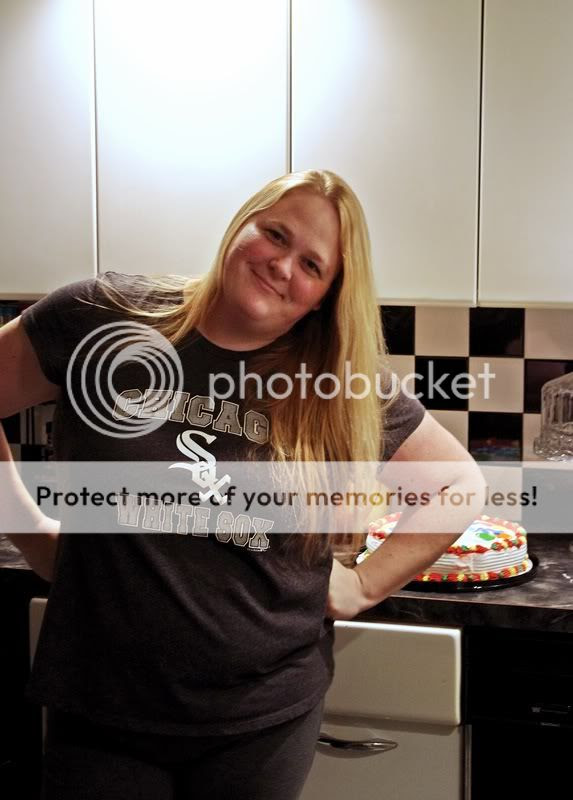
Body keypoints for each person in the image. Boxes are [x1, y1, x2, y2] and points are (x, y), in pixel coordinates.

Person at [0, 169, 485, 799]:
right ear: (241, 226)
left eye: (311, 264)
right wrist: (28, 527)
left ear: (325, 296)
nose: (282, 266)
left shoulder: (337, 380)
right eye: (275, 234)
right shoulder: (104, 316)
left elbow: (457, 483)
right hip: (101, 704)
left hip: (262, 722)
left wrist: (366, 583)